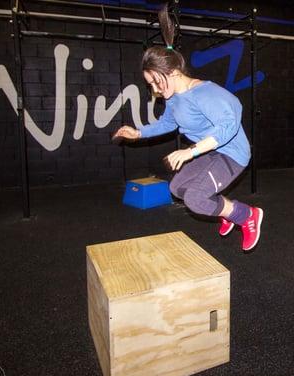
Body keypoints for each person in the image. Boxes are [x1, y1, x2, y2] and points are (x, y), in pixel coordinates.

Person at [113, 4, 263, 251]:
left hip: (232, 154)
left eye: (155, 82)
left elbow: (228, 124)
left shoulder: (206, 93)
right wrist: (138, 133)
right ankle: (227, 211)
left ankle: (247, 215)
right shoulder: (174, 99)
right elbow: (168, 123)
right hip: (211, 153)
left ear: (171, 71)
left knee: (196, 199)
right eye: (150, 84)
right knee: (177, 188)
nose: (155, 90)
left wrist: (189, 152)